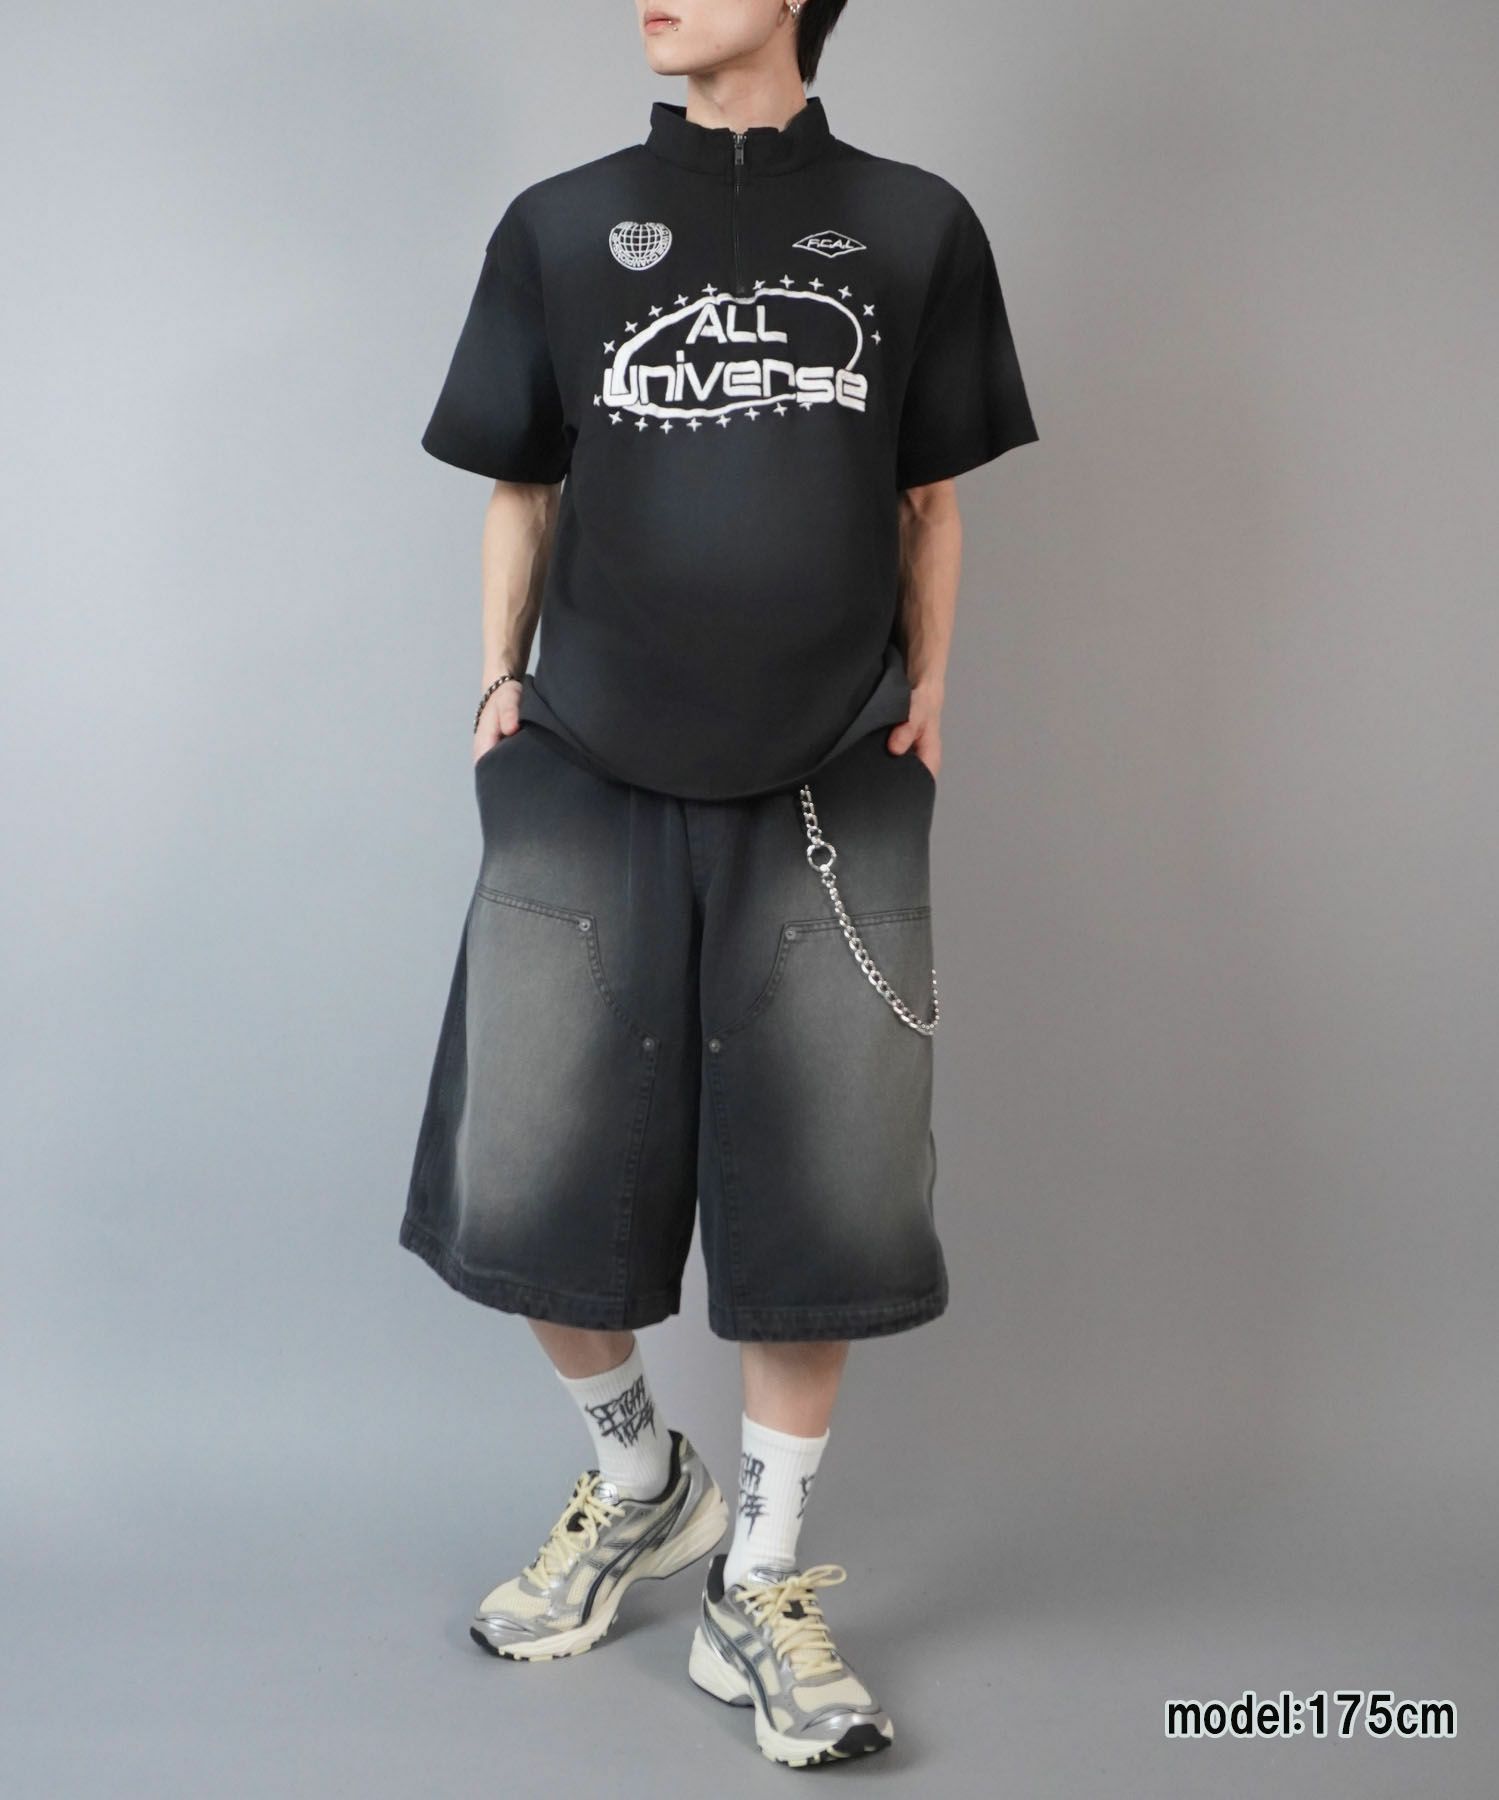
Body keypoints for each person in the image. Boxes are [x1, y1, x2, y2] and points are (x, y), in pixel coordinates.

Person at [399, 0, 1037, 1768]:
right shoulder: (557, 224)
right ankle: (639, 1482)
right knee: (528, 1162)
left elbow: (931, 501)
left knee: (824, 1183)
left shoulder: (914, 225)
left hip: (834, 764)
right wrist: (495, 682)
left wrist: (930, 693)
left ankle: (760, 1580)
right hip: (587, 760)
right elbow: (520, 483)